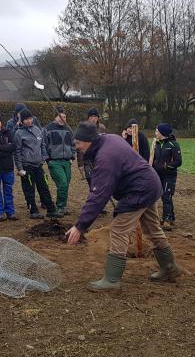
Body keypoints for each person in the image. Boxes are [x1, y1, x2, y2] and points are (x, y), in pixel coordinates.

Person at [66, 122, 182, 291]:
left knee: (119, 229)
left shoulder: (105, 157)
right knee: (152, 228)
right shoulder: (109, 138)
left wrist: (80, 226)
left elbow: (98, 196)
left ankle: (112, 280)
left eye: (78, 143)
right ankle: (170, 268)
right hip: (150, 183)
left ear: (88, 140)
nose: (77, 148)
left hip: (139, 190)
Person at [14, 108, 60, 219]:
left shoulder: (37, 130)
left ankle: (51, 209)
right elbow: (17, 152)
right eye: (26, 119)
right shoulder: (19, 133)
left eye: (30, 118)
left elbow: (42, 144)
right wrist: (20, 168)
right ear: (22, 121)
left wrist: (44, 157)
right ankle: (33, 210)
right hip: (27, 166)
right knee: (29, 189)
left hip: (38, 165)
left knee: (44, 187)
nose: (29, 121)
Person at [44, 106, 75, 216]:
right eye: (60, 116)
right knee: (62, 183)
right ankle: (59, 206)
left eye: (64, 117)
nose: (63, 119)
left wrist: (72, 156)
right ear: (55, 117)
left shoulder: (68, 130)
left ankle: (63, 206)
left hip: (66, 161)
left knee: (66, 184)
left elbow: (73, 144)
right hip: (54, 161)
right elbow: (43, 144)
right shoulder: (48, 129)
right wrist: (48, 159)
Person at [152, 123, 182, 229]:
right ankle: (171, 217)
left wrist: (166, 166)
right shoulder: (156, 143)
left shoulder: (173, 144)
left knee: (166, 196)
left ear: (162, 133)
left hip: (169, 175)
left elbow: (178, 162)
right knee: (159, 195)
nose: (155, 133)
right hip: (157, 174)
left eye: (156, 131)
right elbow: (153, 158)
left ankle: (167, 220)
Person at [77, 107, 107, 186]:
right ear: (88, 118)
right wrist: (80, 164)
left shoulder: (102, 128)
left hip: (100, 159)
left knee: (101, 183)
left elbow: (106, 143)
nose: (93, 119)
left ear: (98, 118)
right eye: (91, 117)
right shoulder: (83, 129)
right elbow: (79, 147)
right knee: (91, 183)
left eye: (95, 117)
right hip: (87, 160)